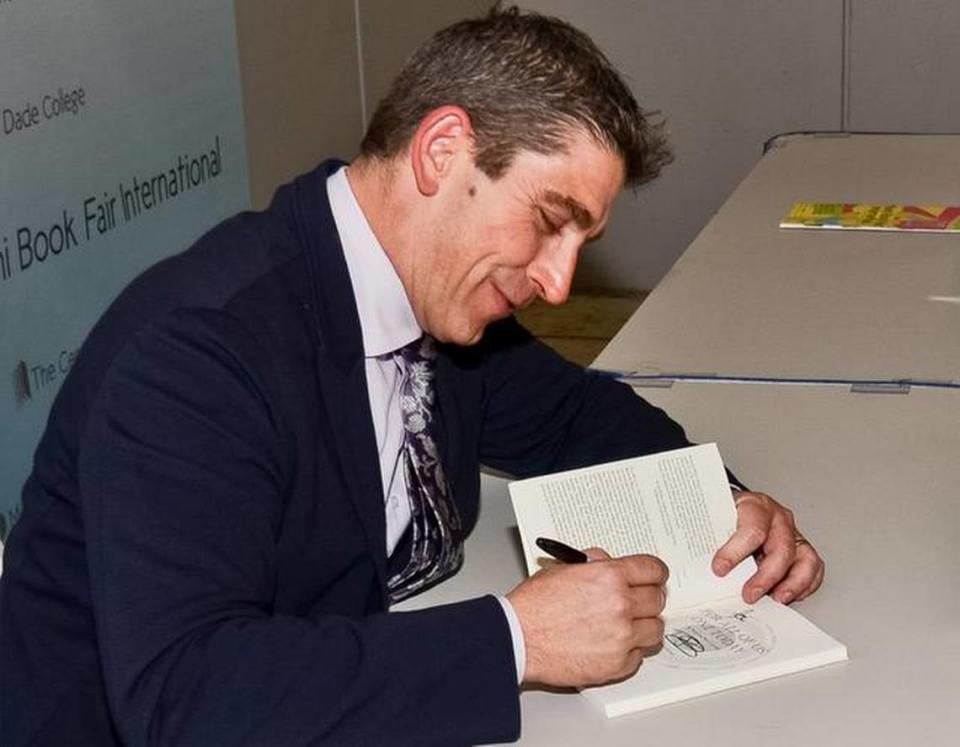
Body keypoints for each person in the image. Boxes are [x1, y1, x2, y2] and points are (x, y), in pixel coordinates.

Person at [0, 6, 824, 745]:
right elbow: (185, 696)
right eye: (548, 223)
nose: (560, 283)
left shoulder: (438, 299)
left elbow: (581, 419)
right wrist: (516, 640)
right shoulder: (198, 354)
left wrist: (724, 502)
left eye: (581, 242)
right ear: (441, 150)